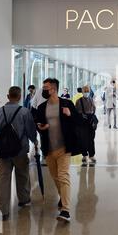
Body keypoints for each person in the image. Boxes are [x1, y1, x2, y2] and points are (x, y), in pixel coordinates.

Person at [36, 78, 82, 222]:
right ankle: (63, 197)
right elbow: (38, 123)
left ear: (54, 89)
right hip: (49, 148)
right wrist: (40, 127)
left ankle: (66, 210)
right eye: (43, 87)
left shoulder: (67, 103)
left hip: (64, 147)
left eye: (46, 88)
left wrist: (70, 114)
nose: (44, 90)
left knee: (63, 176)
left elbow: (79, 121)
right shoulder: (42, 107)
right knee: (56, 177)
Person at [0, 86, 37, 221]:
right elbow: (30, 130)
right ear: (19, 97)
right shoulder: (24, 112)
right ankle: (23, 199)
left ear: (8, 96)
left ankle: (3, 210)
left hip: (3, 152)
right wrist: (35, 141)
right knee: (22, 175)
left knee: (3, 179)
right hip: (20, 150)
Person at [75, 85, 97, 166]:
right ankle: (84, 155)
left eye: (88, 91)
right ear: (82, 92)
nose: (86, 93)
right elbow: (76, 112)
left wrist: (92, 116)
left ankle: (92, 155)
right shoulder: (78, 101)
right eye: (85, 91)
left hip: (90, 122)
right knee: (82, 139)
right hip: (82, 123)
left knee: (91, 139)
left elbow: (94, 109)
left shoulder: (91, 100)